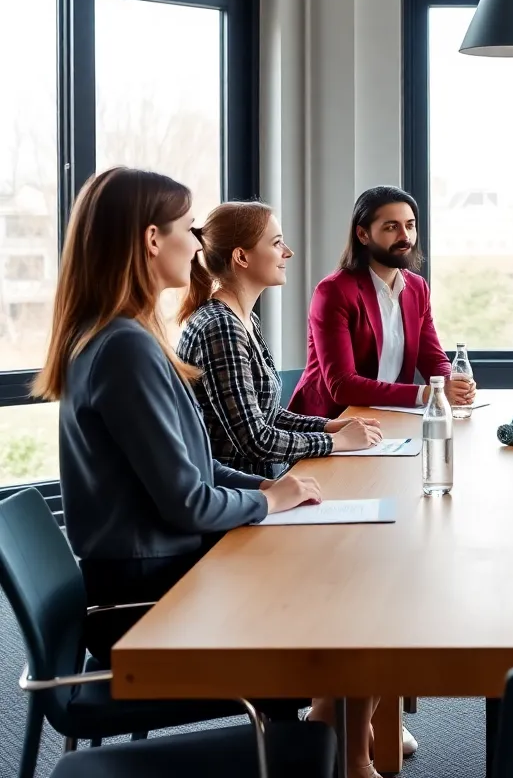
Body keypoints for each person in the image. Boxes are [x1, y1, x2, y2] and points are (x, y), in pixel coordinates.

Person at [34, 168, 383, 778]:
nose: (197, 247)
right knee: (343, 593)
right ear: (149, 240)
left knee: (336, 578)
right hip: (150, 595)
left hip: (150, 570)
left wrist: (272, 491)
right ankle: (322, 743)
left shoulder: (126, 337)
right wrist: (269, 501)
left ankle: (328, 738)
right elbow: (189, 502)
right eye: (183, 231)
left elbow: (197, 467)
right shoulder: (124, 348)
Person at [177, 200, 383, 480]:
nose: (288, 252)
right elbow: (255, 440)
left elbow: (268, 416)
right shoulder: (221, 327)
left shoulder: (244, 319)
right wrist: (337, 442)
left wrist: (330, 426)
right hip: (237, 499)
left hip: (260, 489)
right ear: (242, 257)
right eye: (276, 243)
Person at [291, 186, 475, 416]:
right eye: (391, 227)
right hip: (331, 424)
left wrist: (452, 383)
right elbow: (342, 385)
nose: (405, 237)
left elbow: (432, 358)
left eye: (410, 225)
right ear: (363, 234)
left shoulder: (417, 288)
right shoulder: (334, 291)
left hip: (388, 418)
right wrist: (429, 394)